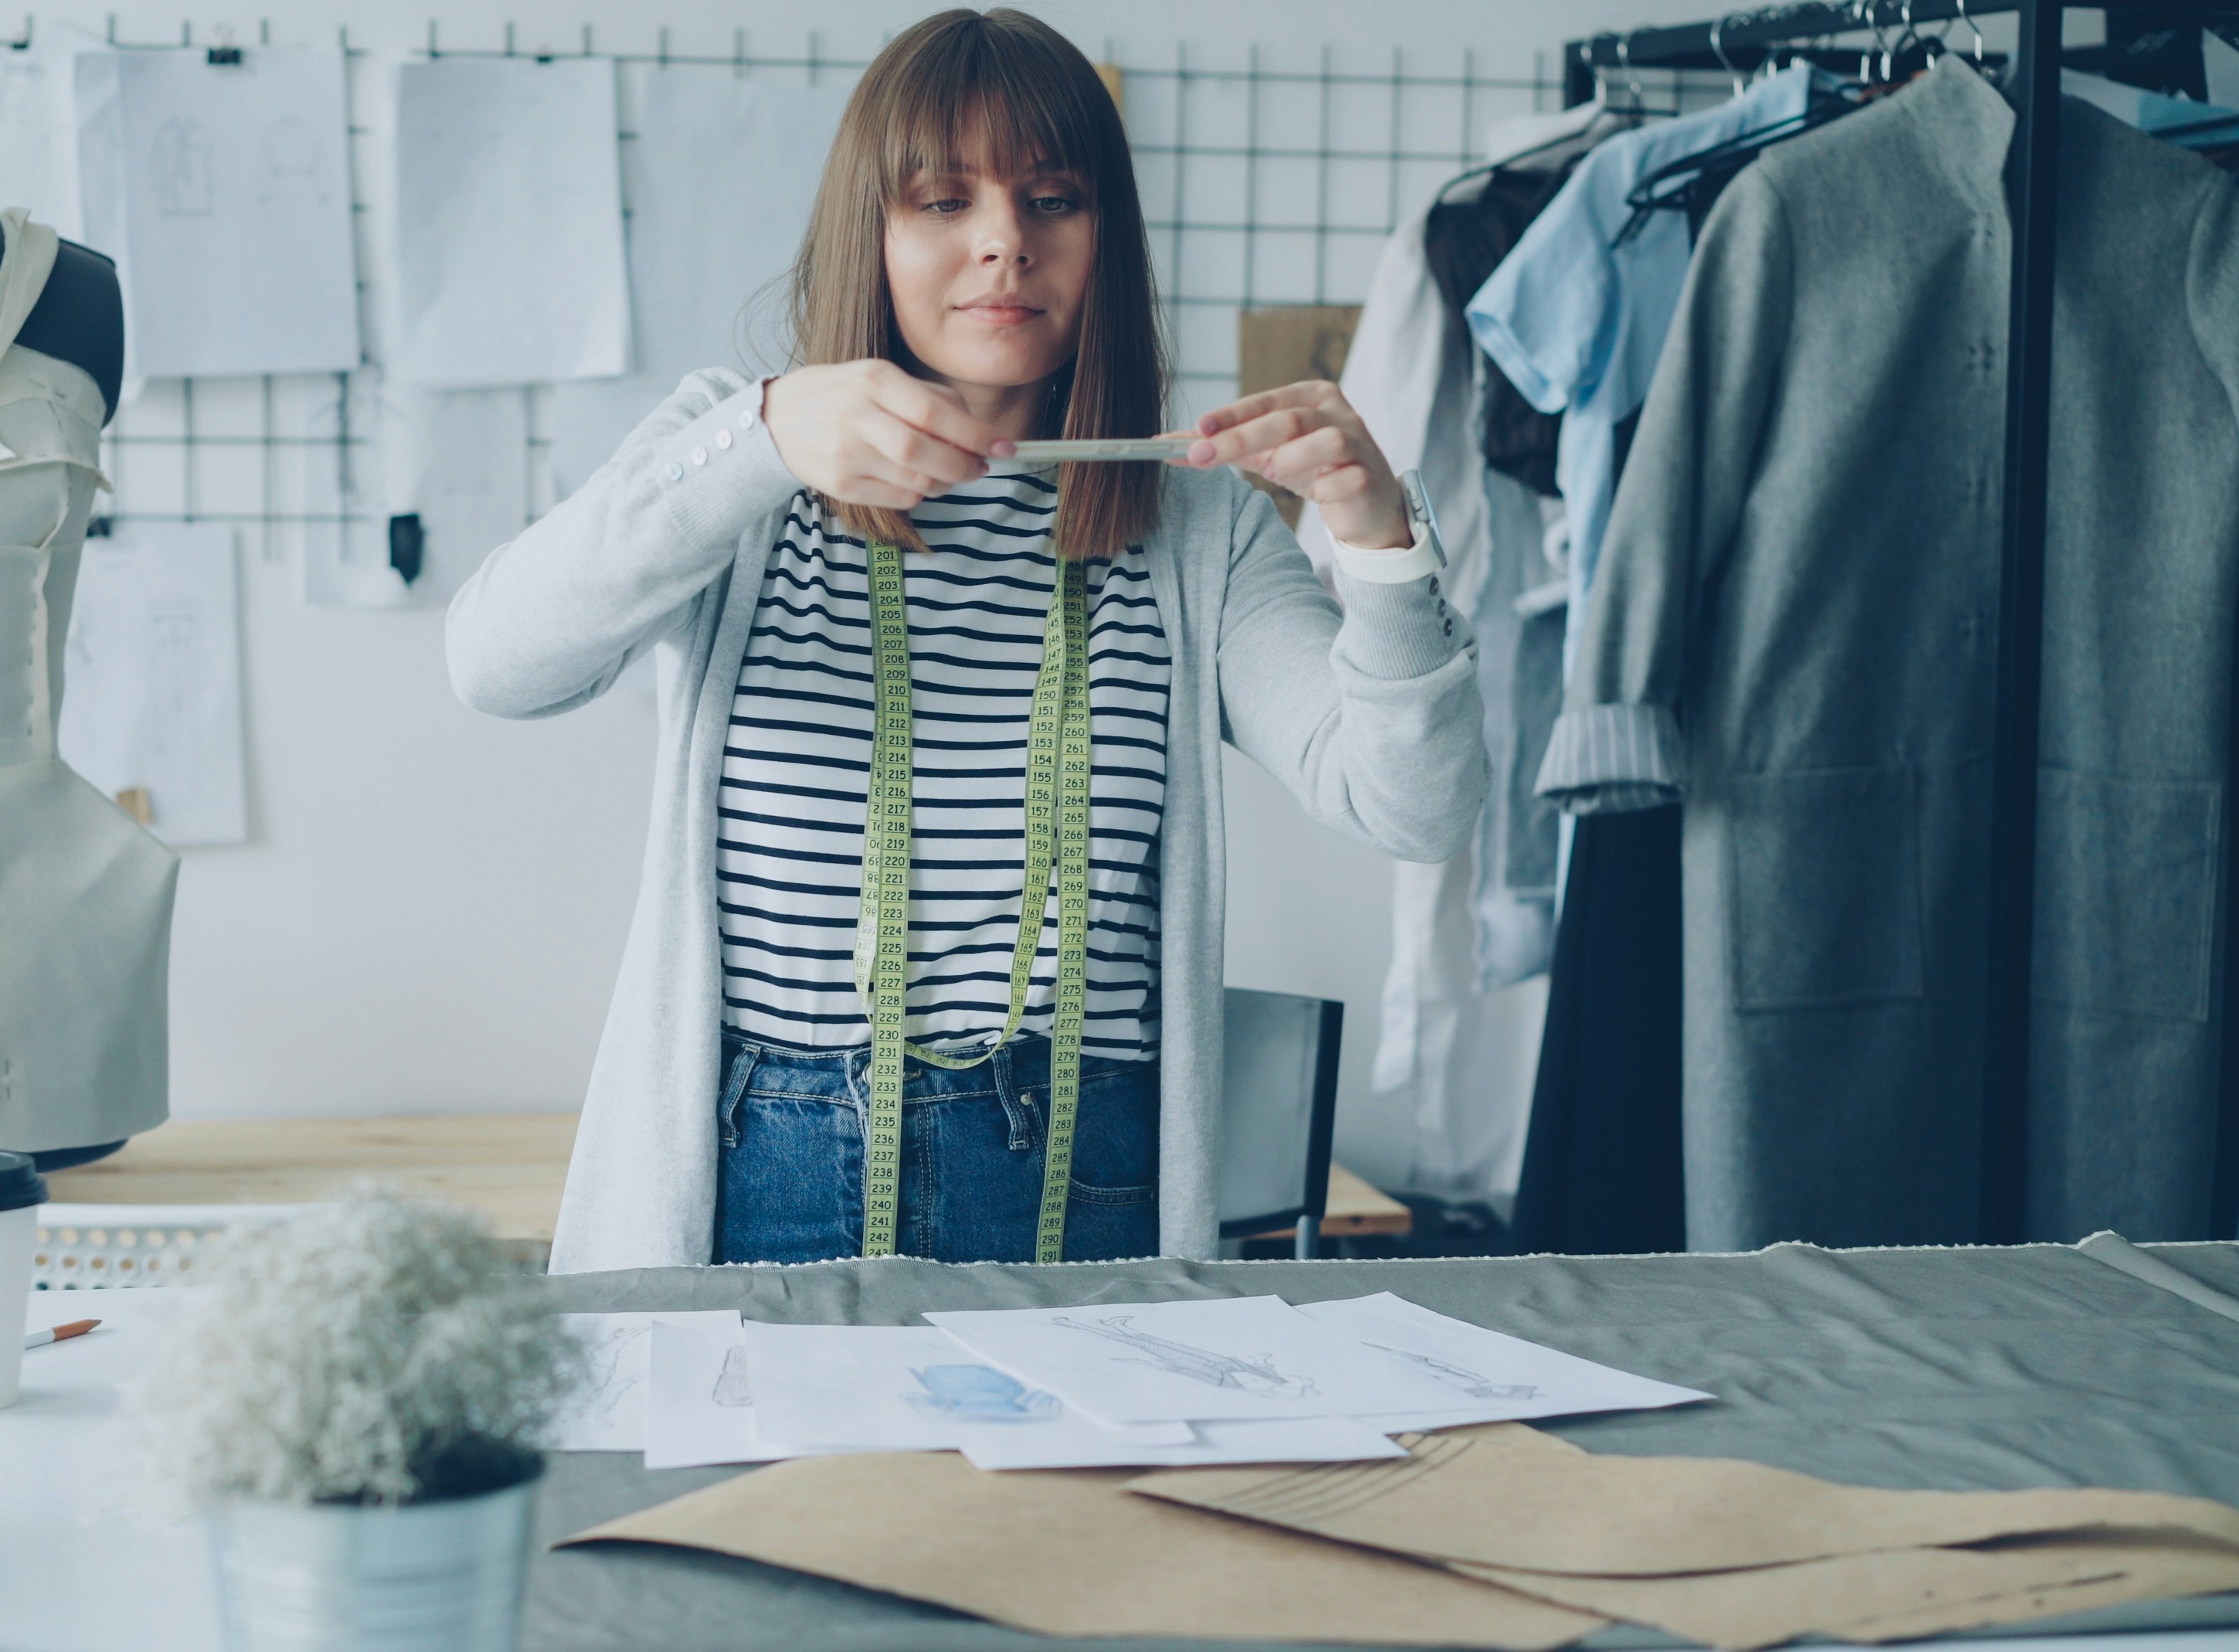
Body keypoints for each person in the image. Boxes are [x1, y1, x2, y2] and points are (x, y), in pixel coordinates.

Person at [448, 7, 1485, 1273]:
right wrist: (766, 439)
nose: (1005, 242)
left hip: (1087, 1173)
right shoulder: (734, 462)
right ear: (870, 233)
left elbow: (1416, 806)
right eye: (944, 202)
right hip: (763, 1170)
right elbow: (497, 662)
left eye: (1053, 198)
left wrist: (1382, 539)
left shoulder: (1193, 524)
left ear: (1107, 239)